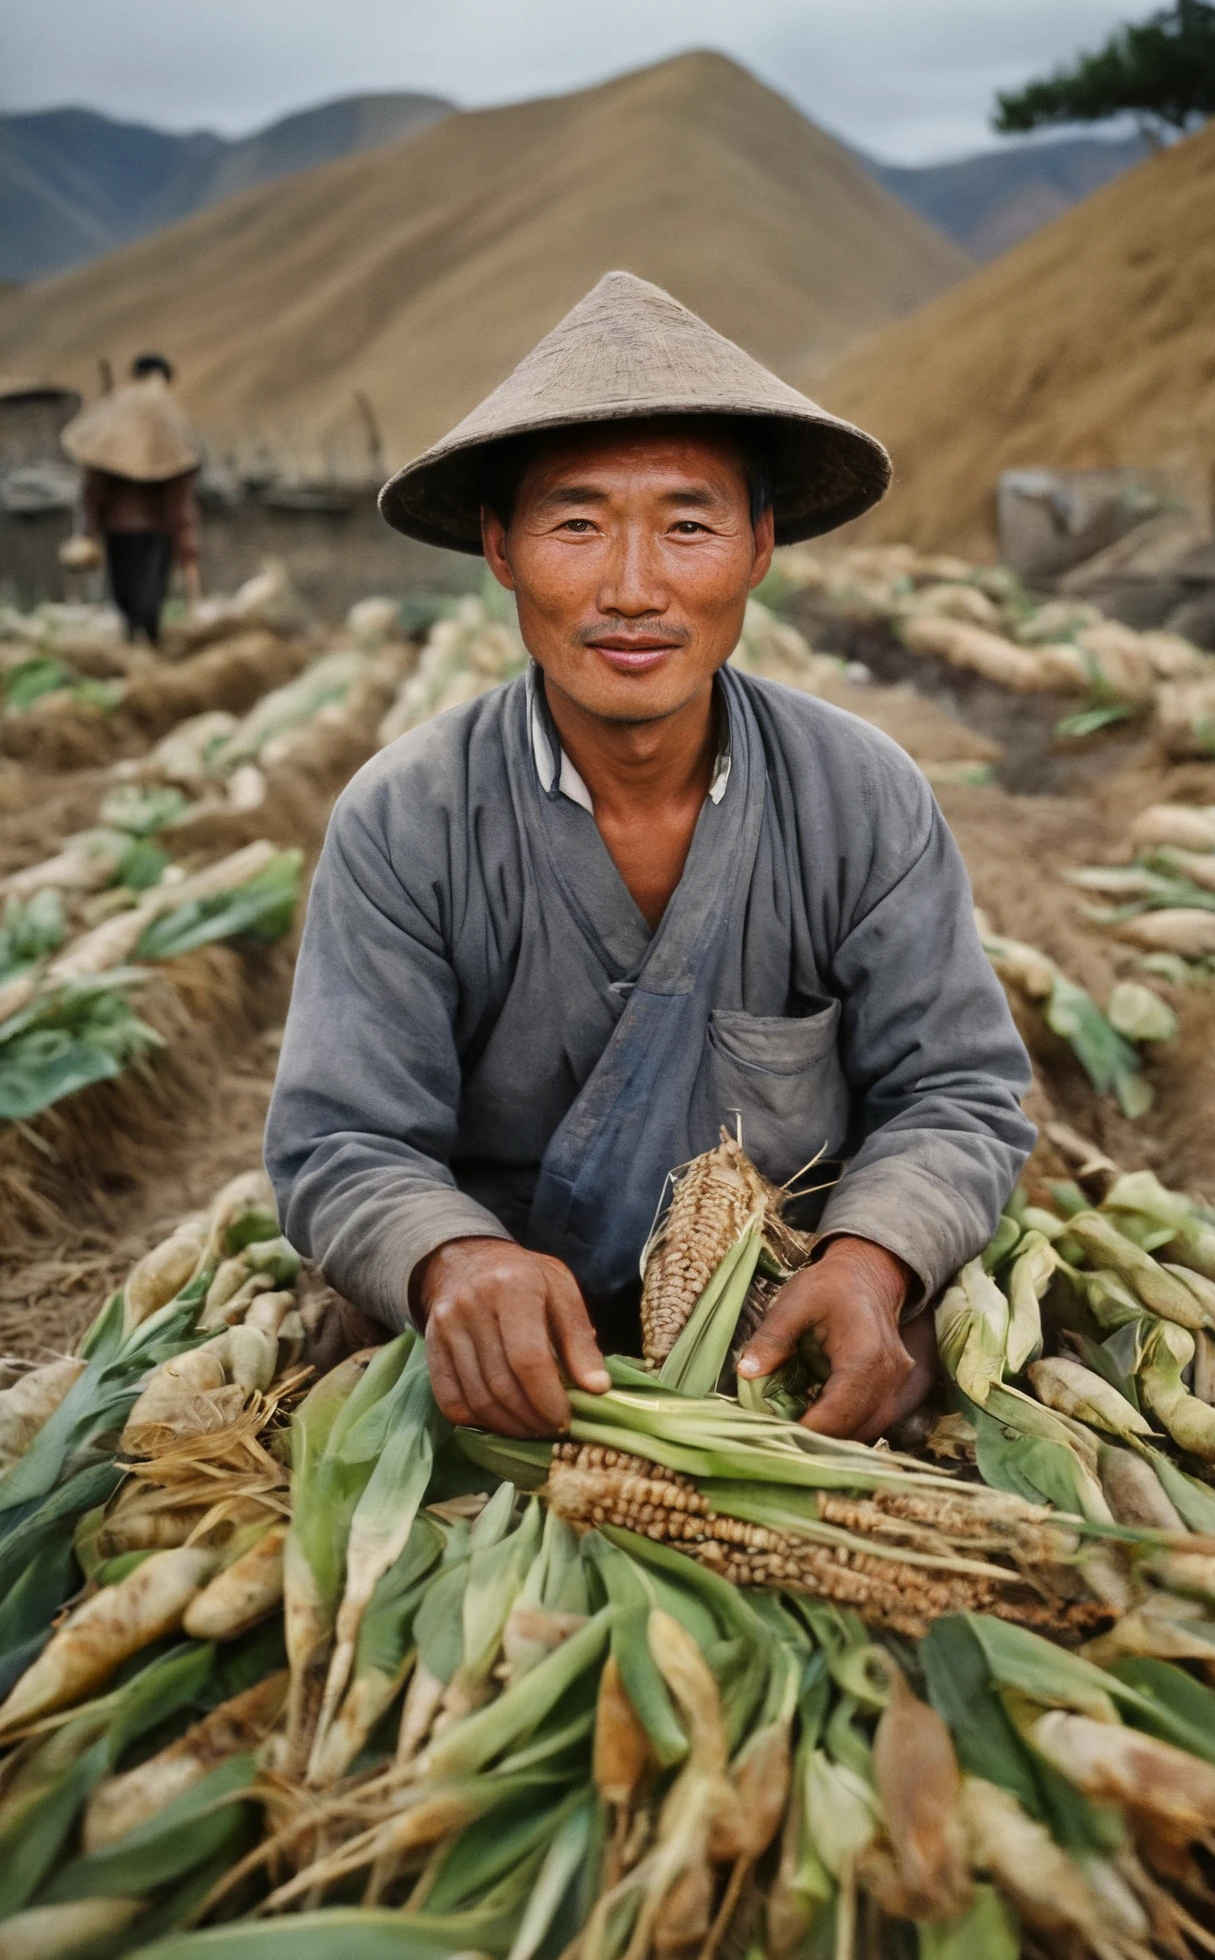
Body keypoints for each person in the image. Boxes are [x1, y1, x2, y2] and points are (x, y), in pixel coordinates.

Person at [265, 271, 1035, 1442]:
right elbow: (341, 1137)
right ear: (501, 549)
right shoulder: (408, 819)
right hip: (510, 1381)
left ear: (761, 544)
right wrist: (455, 1257)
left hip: (783, 1355)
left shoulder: (859, 795)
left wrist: (875, 1261)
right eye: (576, 523)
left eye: (688, 523)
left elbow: (957, 1087)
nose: (633, 588)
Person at [61, 353, 201, 644]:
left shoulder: (117, 411)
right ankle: (145, 647)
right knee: (148, 598)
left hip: (118, 527)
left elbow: (94, 487)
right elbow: (178, 498)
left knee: (126, 593)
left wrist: (89, 531)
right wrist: (187, 549)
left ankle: (135, 645)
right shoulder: (166, 415)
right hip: (155, 528)